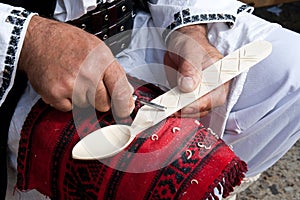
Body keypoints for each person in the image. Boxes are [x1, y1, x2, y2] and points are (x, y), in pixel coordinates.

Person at [0, 0, 299, 199]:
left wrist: (190, 29)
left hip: (137, 23)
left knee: (293, 70)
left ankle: (216, 177)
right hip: (21, 68)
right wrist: (30, 40)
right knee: (158, 177)